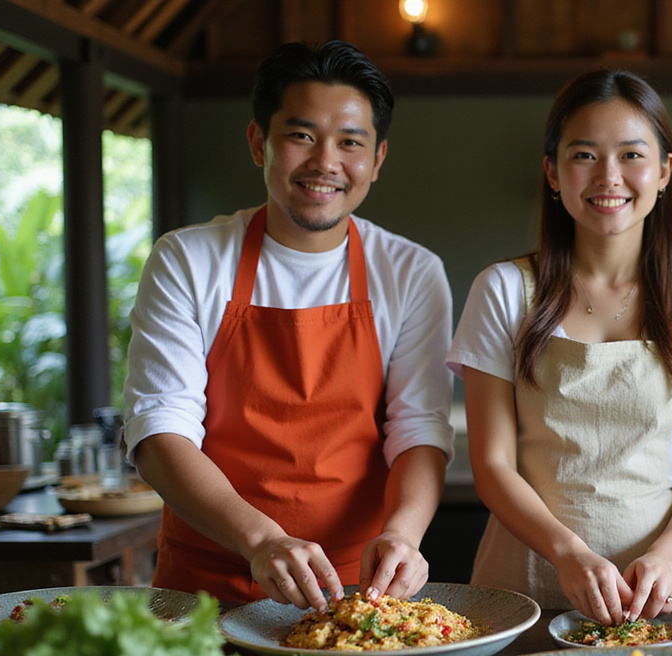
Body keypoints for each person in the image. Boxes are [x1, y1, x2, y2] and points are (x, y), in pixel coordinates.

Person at [123, 41, 454, 610]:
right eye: (301, 135)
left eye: (351, 142)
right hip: (206, 583)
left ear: (376, 160)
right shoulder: (188, 259)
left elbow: (419, 429)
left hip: (354, 587)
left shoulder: (411, 271)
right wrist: (263, 540)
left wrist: (403, 535)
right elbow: (160, 430)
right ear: (259, 143)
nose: (326, 162)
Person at [447, 70, 672, 625]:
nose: (608, 176)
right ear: (553, 173)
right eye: (584, 155)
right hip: (526, 583)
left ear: (664, 172)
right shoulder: (503, 290)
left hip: (665, 589)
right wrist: (567, 551)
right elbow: (493, 463)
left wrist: (665, 556)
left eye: (632, 155)